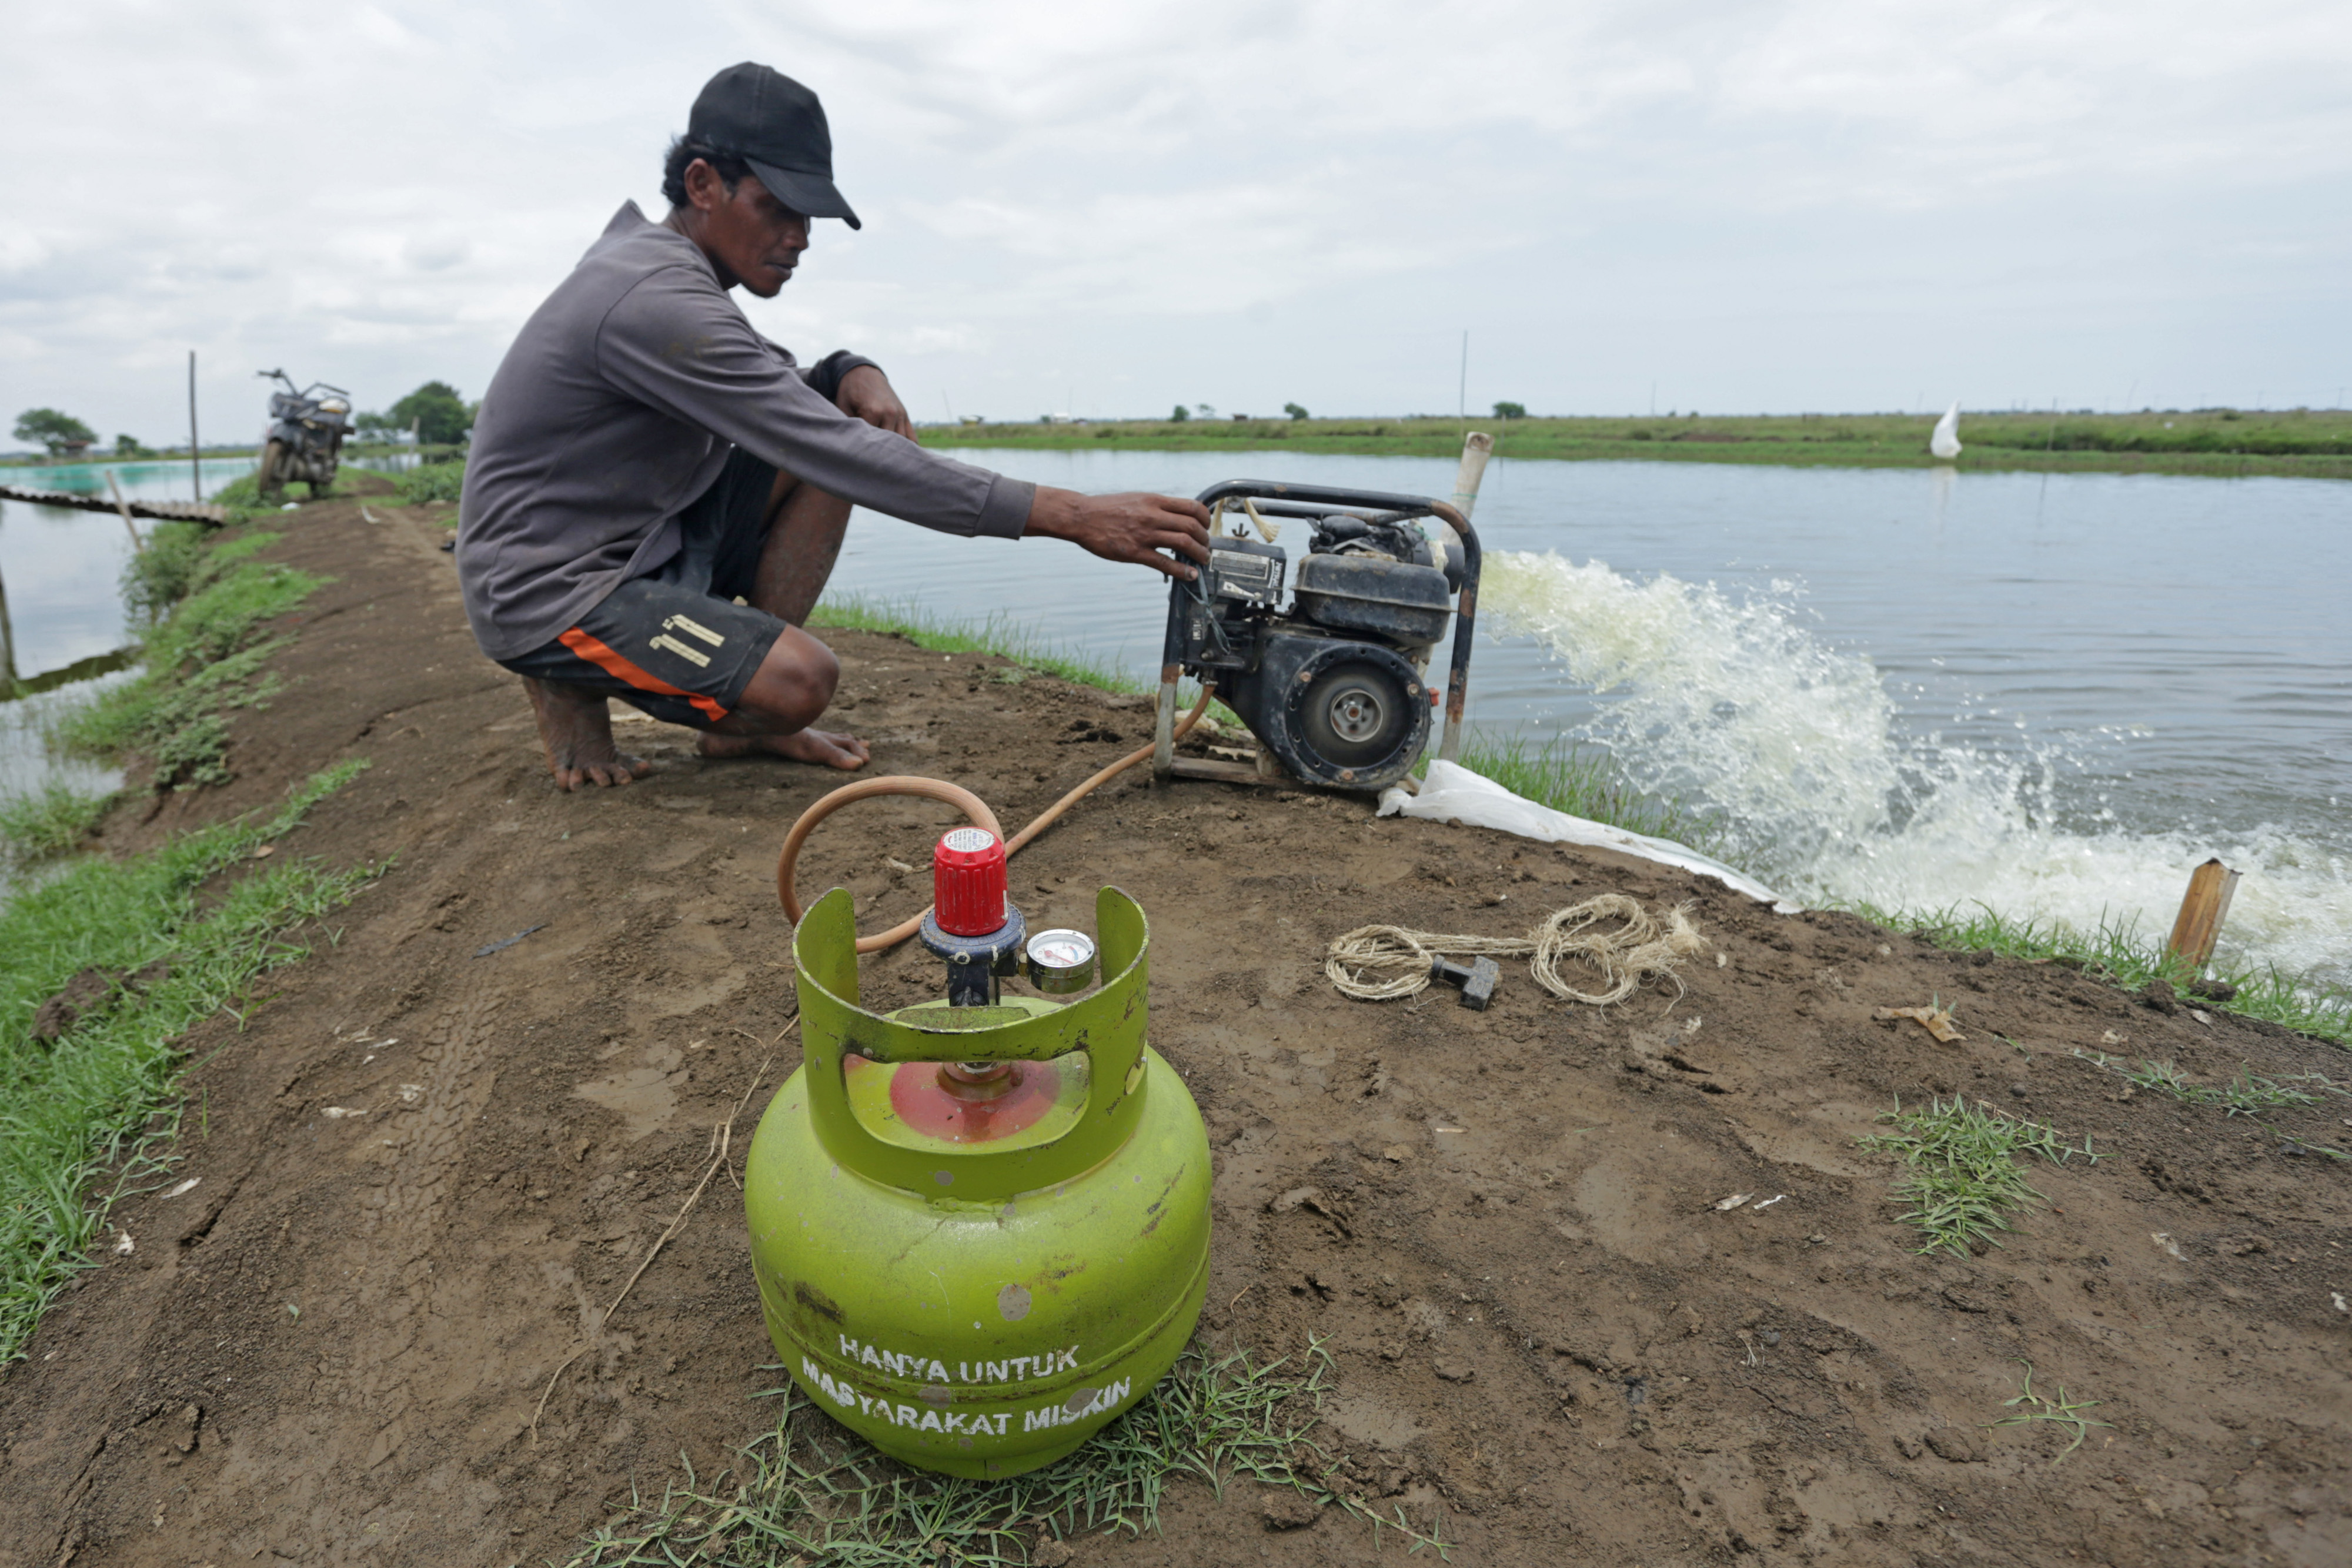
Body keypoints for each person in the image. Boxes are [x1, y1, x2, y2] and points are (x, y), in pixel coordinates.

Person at [457, 62, 1211, 790]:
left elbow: (796, 390)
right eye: (777, 208)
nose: (800, 236)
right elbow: (832, 447)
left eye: (807, 216)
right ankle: (574, 675)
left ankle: (733, 709)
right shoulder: (653, 297)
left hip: (637, 543)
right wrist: (1076, 514)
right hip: (549, 583)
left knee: (835, 410)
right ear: (702, 184)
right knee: (801, 681)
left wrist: (853, 368)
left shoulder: (673, 276)